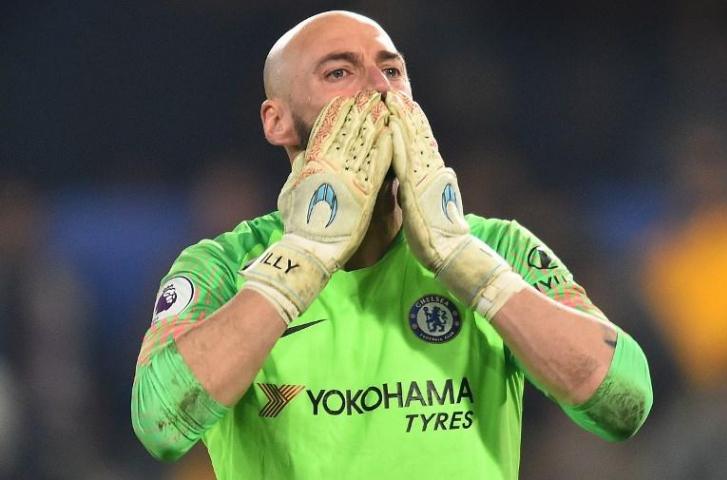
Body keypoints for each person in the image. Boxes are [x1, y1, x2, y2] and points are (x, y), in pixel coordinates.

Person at [131, 11, 652, 479]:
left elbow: (624, 404)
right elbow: (161, 424)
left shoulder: (496, 247)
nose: (379, 90)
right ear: (278, 121)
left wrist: (462, 259)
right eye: (339, 73)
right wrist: (305, 254)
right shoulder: (223, 266)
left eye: (392, 71)